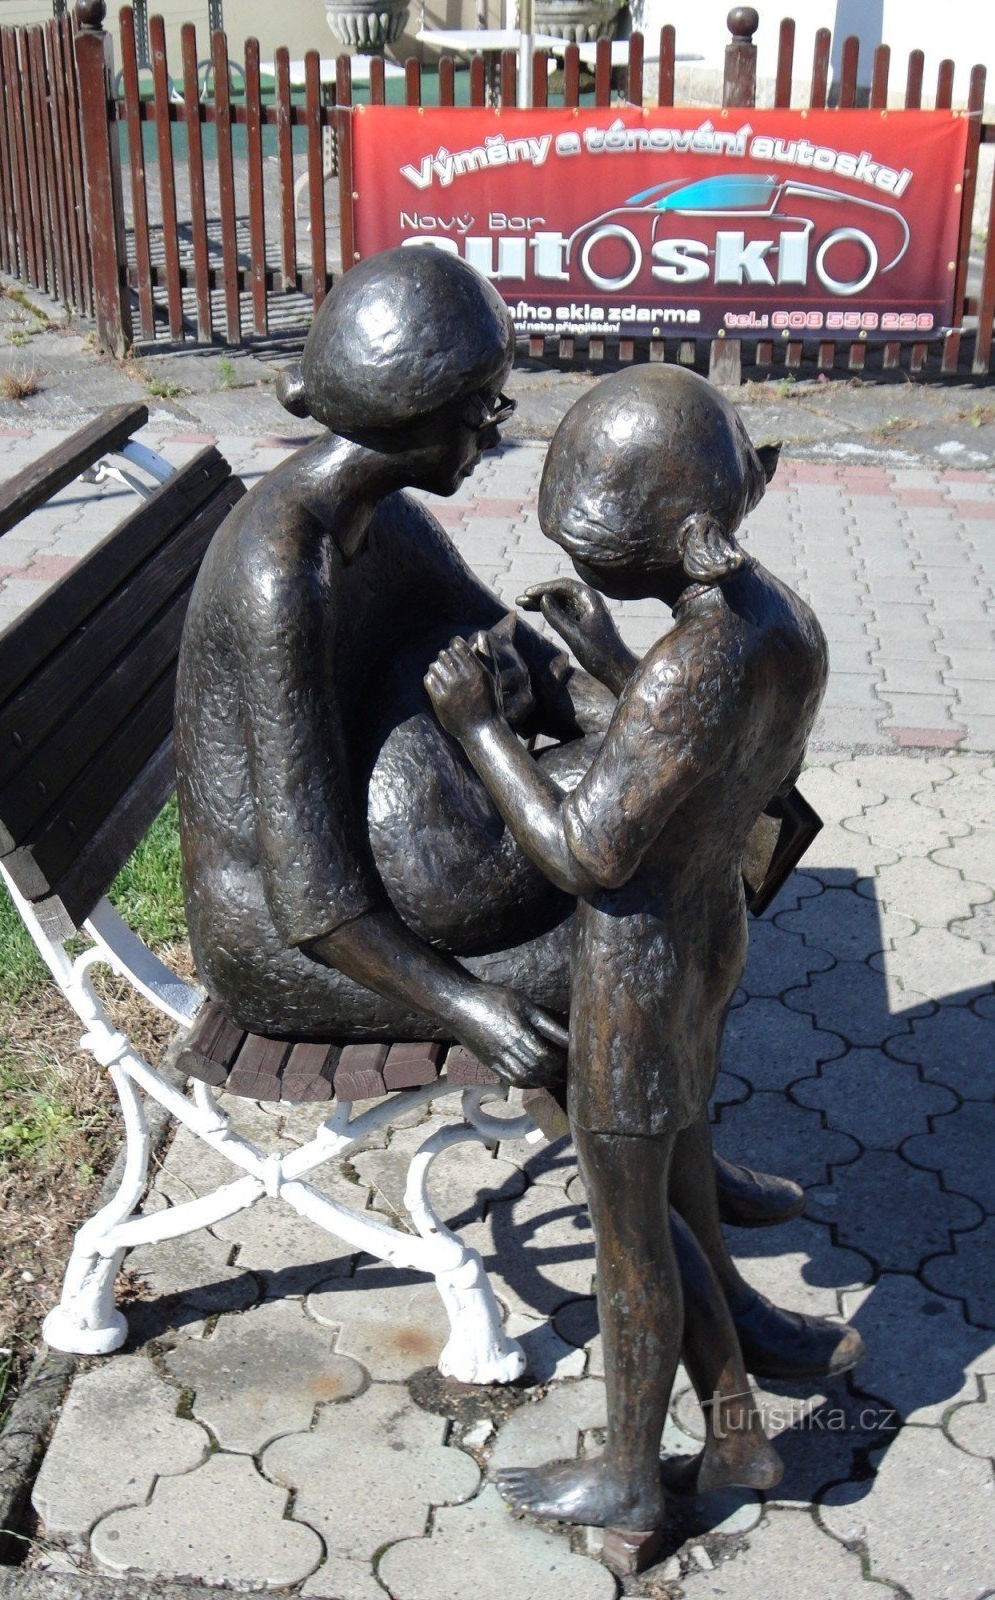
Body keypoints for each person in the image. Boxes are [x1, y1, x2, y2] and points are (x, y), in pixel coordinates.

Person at [173, 250, 862, 1381]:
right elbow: (306, 896)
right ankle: (716, 1315)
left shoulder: (381, 518)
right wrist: (472, 1007)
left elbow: (512, 649)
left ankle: (692, 1176)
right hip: (288, 938)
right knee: (630, 953)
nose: (498, 426)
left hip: (400, 852)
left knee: (671, 905)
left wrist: (623, 701)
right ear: (417, 417)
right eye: (483, 406)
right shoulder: (280, 575)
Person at [424, 364, 842, 1562]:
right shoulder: (780, 621)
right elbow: (717, 753)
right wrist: (614, 665)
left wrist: (483, 732)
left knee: (629, 1235)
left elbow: (585, 850)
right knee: (679, 1168)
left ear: (670, 543)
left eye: (592, 547)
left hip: (637, 971)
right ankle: (734, 1430)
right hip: (714, 939)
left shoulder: (686, 670)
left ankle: (627, 1475)